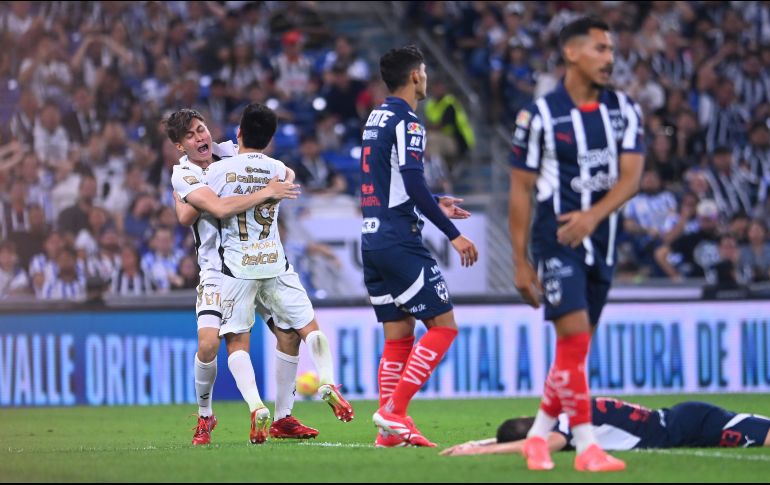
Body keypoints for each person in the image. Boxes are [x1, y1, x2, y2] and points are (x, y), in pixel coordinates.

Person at [509, 17, 644, 472]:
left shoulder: (624, 109)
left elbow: (631, 178)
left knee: (574, 350)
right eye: (601, 49)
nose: (610, 58)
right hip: (555, 243)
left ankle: (535, 438)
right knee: (574, 338)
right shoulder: (539, 115)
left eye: (611, 50)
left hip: (601, 244)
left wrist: (592, 216)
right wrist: (521, 263)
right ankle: (586, 447)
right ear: (572, 53)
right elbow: (520, 190)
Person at [204, 103, 354, 444]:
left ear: (239, 132)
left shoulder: (217, 172)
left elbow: (204, 203)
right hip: (274, 262)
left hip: (236, 266)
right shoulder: (280, 170)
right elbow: (288, 177)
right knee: (306, 328)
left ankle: (261, 408)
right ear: (270, 139)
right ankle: (328, 380)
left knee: (238, 341)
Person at [361, 45, 478, 448]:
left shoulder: (375, 118)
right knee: (443, 327)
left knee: (398, 334)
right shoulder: (408, 122)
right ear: (415, 76)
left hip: (372, 238)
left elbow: (391, 182)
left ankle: (388, 433)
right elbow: (411, 181)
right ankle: (395, 411)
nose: (425, 78)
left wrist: (434, 201)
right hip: (398, 239)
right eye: (424, 71)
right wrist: (452, 233)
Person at [166, 108, 304, 445]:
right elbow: (219, 209)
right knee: (208, 344)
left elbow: (285, 172)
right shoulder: (182, 174)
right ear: (180, 146)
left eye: (201, 129)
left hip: (258, 263)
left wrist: (276, 181)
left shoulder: (229, 152)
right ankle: (204, 416)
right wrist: (265, 192)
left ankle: (284, 417)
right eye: (190, 135)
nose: (200, 137)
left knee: (289, 332)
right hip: (217, 270)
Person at [441, 397, 770, 456]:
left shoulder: (564, 428)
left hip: (694, 425)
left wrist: (477, 453)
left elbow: (535, 445)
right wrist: (479, 442)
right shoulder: (564, 411)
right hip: (685, 421)